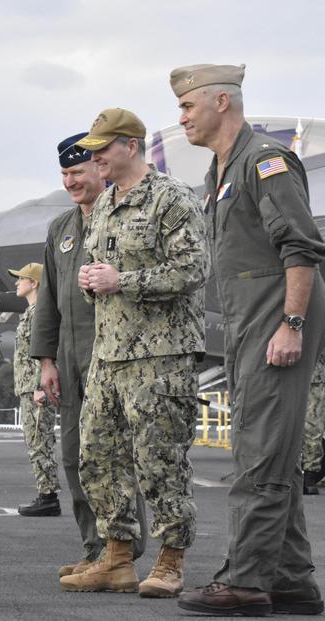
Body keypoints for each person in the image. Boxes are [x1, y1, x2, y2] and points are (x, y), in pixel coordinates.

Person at [169, 64, 325, 616]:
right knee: (270, 451)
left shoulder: (264, 160)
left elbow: (302, 249)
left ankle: (244, 580)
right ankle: (291, 580)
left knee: (259, 454)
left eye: (189, 107)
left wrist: (293, 324)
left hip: (274, 318)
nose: (181, 116)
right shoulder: (222, 169)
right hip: (246, 321)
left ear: (222, 103)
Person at [60, 108, 208, 598]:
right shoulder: (104, 206)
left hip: (161, 356)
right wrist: (89, 282)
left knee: (158, 460)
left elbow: (192, 270)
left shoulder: (171, 198)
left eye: (102, 148)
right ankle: (117, 557)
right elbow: (98, 272)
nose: (94, 156)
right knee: (97, 458)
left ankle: (171, 560)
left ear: (130, 145)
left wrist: (123, 281)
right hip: (110, 353)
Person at [31, 133, 148, 576]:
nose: (70, 182)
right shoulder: (61, 229)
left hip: (114, 354)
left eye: (77, 172)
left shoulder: (120, 217)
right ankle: (94, 547)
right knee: (75, 454)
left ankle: (122, 548)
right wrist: (45, 360)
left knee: (114, 454)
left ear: (100, 169)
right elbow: (49, 299)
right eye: (64, 174)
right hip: (70, 357)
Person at [8, 262, 61, 516]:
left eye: (21, 279)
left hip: (36, 389)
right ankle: (46, 492)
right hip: (28, 388)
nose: (17, 283)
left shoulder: (41, 312)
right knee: (35, 440)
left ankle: (48, 496)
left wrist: (40, 386)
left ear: (35, 283)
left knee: (40, 441)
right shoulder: (31, 312)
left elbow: (47, 351)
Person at [303, 357, 325, 495]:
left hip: (312, 371)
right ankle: (310, 476)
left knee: (312, 426)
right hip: (316, 371)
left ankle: (310, 476)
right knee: (313, 425)